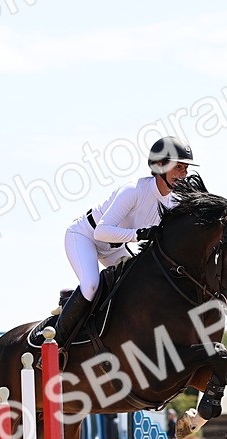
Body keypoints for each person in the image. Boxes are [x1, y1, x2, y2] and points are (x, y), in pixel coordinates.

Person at [54, 136, 201, 346]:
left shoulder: (172, 203)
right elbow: (101, 232)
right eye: (178, 167)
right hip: (84, 236)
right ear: (159, 165)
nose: (183, 174)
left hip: (114, 247)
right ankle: (57, 342)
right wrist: (138, 234)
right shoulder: (133, 190)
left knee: (142, 288)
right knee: (91, 286)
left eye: (185, 168)